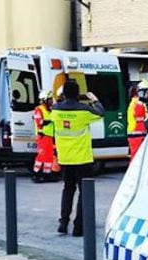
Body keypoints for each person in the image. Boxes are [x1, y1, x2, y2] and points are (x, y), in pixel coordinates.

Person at [44, 80, 104, 236]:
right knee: (84, 192)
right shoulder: (84, 110)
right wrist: (94, 99)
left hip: (65, 158)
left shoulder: (55, 110)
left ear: (63, 93)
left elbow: (51, 123)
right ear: (78, 94)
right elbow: (101, 112)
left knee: (68, 189)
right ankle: (79, 227)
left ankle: (63, 222)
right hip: (82, 158)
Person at [31, 90, 59, 183]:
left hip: (50, 137)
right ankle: (36, 174)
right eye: (49, 99)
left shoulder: (50, 110)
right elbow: (40, 122)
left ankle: (47, 174)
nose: (51, 101)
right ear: (44, 100)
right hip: (42, 136)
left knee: (49, 156)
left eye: (51, 99)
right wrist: (49, 121)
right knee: (41, 156)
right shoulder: (39, 109)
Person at [126, 80, 148, 159]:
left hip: (136, 136)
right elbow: (145, 122)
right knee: (136, 159)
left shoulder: (136, 102)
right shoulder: (138, 105)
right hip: (137, 136)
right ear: (142, 93)